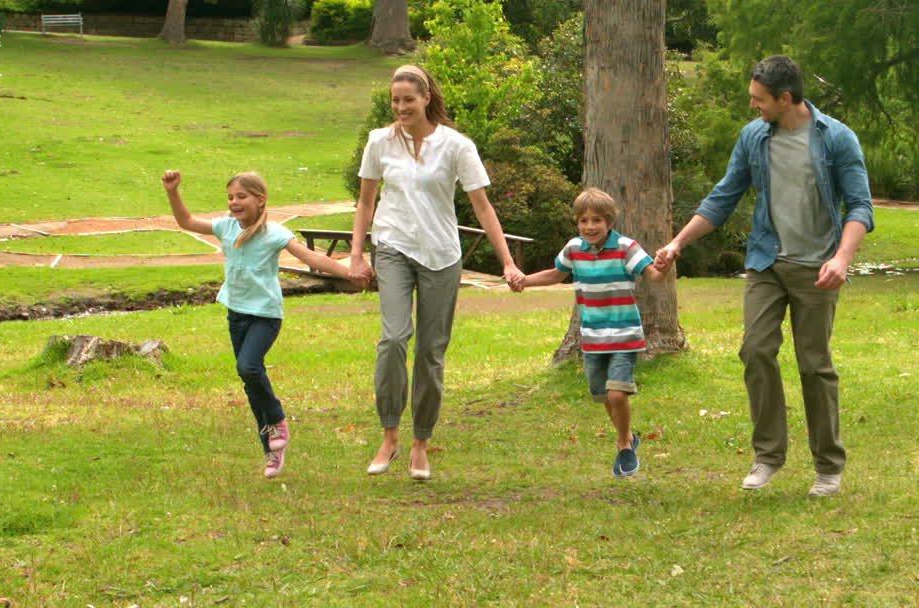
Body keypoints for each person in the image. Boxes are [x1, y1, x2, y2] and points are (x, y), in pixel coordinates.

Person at [654, 56, 874, 497]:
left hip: (817, 268)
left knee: (815, 366)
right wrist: (677, 243)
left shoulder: (836, 139)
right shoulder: (754, 138)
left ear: (785, 98)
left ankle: (828, 467)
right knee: (755, 351)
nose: (752, 106)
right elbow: (723, 197)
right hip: (767, 262)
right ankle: (768, 456)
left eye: (758, 99)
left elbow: (860, 206)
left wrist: (842, 259)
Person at [348, 64, 524, 481]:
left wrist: (508, 261)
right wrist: (357, 254)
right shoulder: (379, 142)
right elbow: (366, 202)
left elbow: (482, 206)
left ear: (426, 98)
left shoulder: (456, 146)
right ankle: (389, 435)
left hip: (442, 255)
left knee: (431, 352)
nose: (401, 107)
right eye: (395, 100)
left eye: (408, 99)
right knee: (393, 339)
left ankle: (420, 443)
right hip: (392, 246)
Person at [162, 170, 352, 479]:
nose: (234, 202)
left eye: (241, 196)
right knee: (251, 385)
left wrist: (348, 272)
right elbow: (186, 222)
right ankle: (271, 451)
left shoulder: (275, 234)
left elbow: (312, 259)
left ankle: (277, 418)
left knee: (248, 368)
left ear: (260, 200)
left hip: (265, 315)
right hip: (236, 314)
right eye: (230, 197)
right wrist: (173, 192)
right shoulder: (226, 228)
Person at [518, 189, 668, 477]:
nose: (590, 226)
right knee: (602, 395)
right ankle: (629, 436)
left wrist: (666, 264)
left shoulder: (626, 247)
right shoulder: (574, 249)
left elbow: (655, 276)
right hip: (592, 338)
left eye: (596, 220)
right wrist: (524, 281)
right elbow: (555, 274)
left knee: (616, 394)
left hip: (624, 335)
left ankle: (624, 444)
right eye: (583, 220)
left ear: (609, 221)